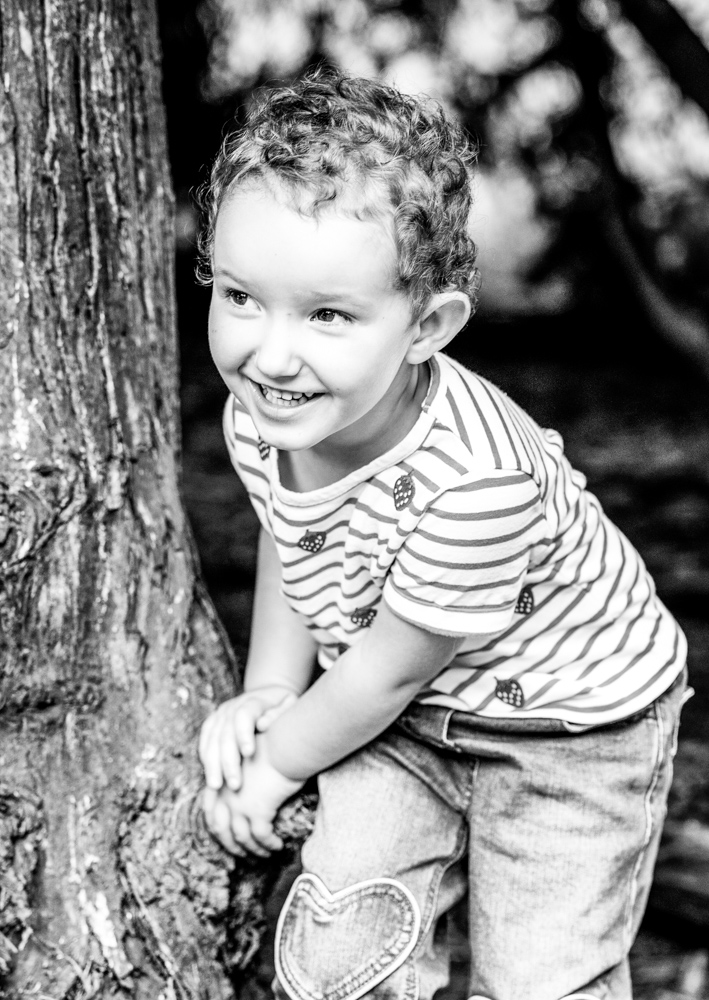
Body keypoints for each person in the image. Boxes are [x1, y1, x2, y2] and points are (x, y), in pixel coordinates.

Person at [196, 67, 689, 1000]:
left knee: (542, 978)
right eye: (239, 296)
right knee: (338, 958)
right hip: (399, 718)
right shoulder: (268, 410)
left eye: (328, 314)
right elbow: (290, 533)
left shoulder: (476, 481)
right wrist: (269, 689)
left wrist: (272, 765)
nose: (268, 351)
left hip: (568, 728)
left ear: (427, 326)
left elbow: (391, 669)